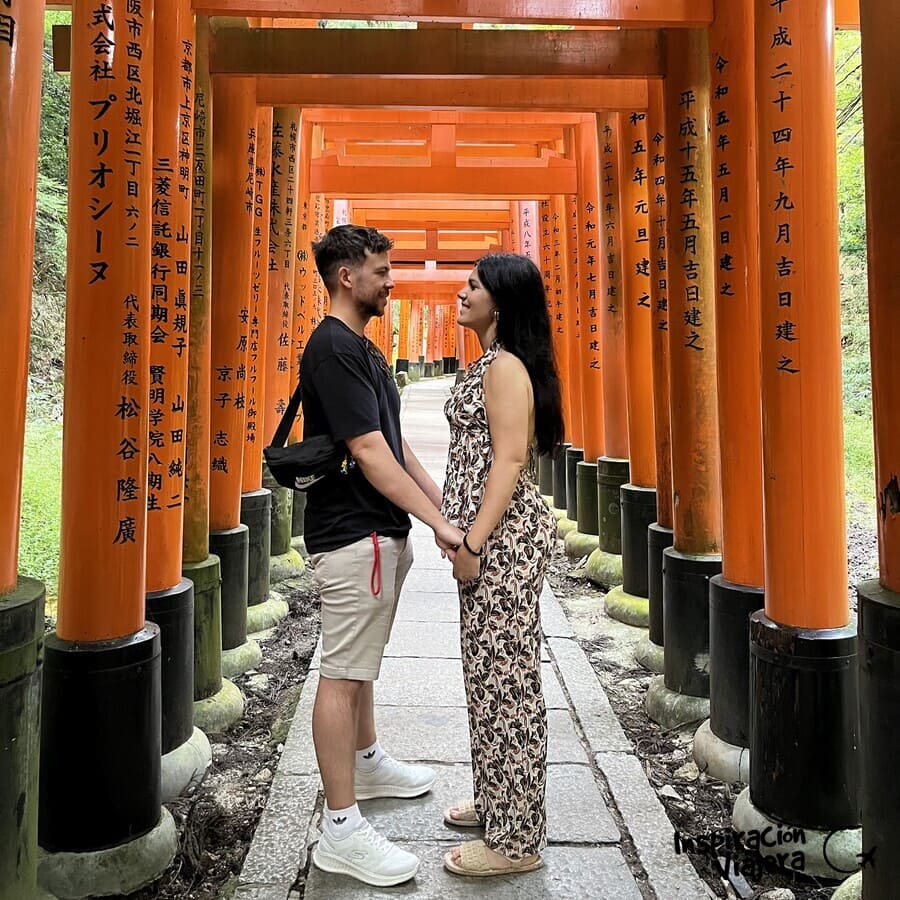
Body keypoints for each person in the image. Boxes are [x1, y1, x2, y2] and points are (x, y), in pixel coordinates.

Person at [300, 225, 464, 887]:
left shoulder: (361, 349)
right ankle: (340, 829)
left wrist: (441, 516)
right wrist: (439, 526)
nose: (391, 280)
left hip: (380, 530)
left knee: (360, 661)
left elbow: (396, 448)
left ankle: (365, 762)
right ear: (347, 277)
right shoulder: (334, 347)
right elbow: (367, 453)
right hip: (351, 533)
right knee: (342, 671)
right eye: (380, 269)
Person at [440, 253, 565, 877]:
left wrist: (473, 543)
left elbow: (509, 462)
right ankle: (498, 800)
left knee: (507, 687)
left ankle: (517, 842)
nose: (462, 293)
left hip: (502, 547)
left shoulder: (506, 368)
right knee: (487, 679)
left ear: (501, 303)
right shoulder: (491, 363)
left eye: (473, 286)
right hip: (490, 544)